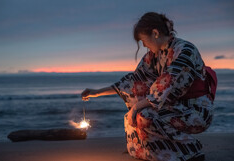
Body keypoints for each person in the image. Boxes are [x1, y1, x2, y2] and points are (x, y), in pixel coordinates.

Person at [81, 12, 216, 161]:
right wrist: (96, 92)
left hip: (195, 110)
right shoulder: (154, 55)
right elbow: (134, 81)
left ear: (155, 33)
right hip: (174, 106)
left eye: (144, 40)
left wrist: (137, 106)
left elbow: (167, 85)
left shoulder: (185, 50)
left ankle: (191, 151)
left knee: (144, 116)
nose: (144, 45)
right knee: (130, 118)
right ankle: (156, 151)